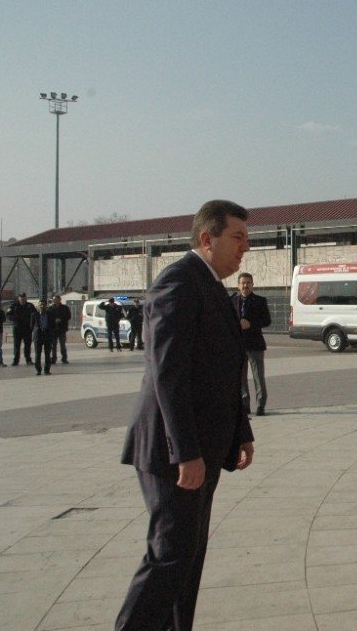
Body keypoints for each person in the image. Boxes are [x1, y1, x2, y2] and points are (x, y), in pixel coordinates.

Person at [116, 200, 255, 631]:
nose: (245, 248)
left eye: (247, 239)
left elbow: (221, 371)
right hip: (173, 452)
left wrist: (240, 432)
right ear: (206, 239)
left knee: (187, 560)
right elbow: (168, 376)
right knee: (169, 557)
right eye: (238, 238)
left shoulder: (210, 284)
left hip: (202, 449)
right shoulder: (177, 284)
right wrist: (186, 452)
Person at [231, 272, 270, 416]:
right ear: (238, 285)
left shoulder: (260, 301)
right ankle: (244, 404)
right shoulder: (231, 301)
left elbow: (267, 321)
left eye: (248, 283)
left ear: (252, 285)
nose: (245, 286)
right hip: (238, 346)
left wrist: (251, 324)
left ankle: (261, 405)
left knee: (258, 377)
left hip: (255, 345)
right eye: (243, 283)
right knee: (241, 377)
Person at [6, 292, 37, 366]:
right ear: (18, 298)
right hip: (17, 328)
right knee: (17, 345)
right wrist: (15, 319)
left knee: (27, 345)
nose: (22, 299)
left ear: (26, 298)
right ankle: (16, 360)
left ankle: (28, 360)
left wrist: (32, 325)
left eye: (24, 297)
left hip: (27, 328)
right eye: (21, 297)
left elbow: (35, 315)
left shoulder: (30, 306)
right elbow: (8, 315)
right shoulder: (14, 305)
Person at [31, 297, 55, 375]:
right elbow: (31, 325)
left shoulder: (50, 314)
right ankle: (38, 370)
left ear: (46, 306)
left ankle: (47, 370)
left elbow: (53, 325)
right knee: (38, 354)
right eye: (40, 305)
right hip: (38, 336)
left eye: (44, 305)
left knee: (47, 354)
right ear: (38, 306)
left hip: (47, 335)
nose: (42, 306)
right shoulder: (34, 314)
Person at [49, 294, 72, 364]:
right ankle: (53, 358)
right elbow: (48, 317)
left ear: (59, 300)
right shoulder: (50, 308)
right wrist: (54, 320)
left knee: (62, 344)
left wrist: (61, 319)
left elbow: (69, 316)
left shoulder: (65, 308)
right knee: (53, 345)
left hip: (62, 329)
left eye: (56, 299)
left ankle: (64, 358)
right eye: (54, 300)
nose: (55, 301)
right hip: (53, 329)